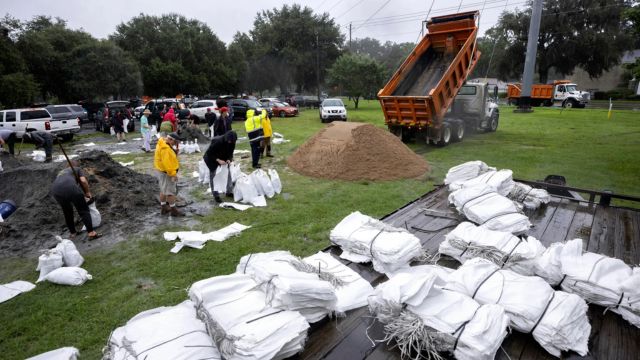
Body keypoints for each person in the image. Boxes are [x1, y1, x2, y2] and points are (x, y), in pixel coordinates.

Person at [51, 161, 101, 240]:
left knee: (67, 211)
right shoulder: (77, 169)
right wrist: (87, 192)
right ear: (76, 166)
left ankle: (73, 233)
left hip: (55, 191)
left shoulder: (62, 172)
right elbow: (83, 181)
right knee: (83, 210)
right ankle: (91, 233)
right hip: (70, 187)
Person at [154, 132, 184, 217]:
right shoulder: (165, 149)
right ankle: (173, 211)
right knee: (170, 192)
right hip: (167, 173)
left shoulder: (162, 142)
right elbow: (168, 164)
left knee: (163, 190)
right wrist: (173, 174)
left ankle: (164, 208)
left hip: (161, 170)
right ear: (170, 139)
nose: (176, 144)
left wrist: (174, 151)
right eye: (175, 142)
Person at [203, 131, 237, 203]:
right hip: (211, 159)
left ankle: (228, 191)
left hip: (223, 158)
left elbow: (231, 153)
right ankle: (216, 195)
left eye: (232, 141)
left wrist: (229, 159)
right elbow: (209, 153)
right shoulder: (217, 141)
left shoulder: (232, 142)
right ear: (227, 139)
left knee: (228, 174)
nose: (230, 142)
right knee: (214, 176)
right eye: (230, 141)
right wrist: (218, 160)